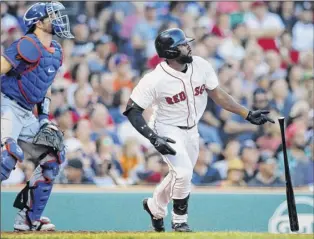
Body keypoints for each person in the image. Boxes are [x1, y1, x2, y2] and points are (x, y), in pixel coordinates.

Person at [123, 28, 274, 232]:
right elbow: (133, 110)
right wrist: (153, 137)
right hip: (166, 127)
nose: (188, 46)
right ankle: (179, 221)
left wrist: (246, 113)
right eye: (183, 45)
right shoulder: (154, 79)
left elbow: (217, 94)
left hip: (192, 129)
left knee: (179, 174)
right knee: (184, 173)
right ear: (171, 52)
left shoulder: (201, 65)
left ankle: (154, 207)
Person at [0, 2, 74, 231]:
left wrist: (43, 118)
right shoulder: (27, 44)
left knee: (54, 155)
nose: (59, 19)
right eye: (52, 16)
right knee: (7, 156)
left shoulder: (56, 51)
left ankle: (28, 219)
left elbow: (45, 87)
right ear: (38, 23)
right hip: (6, 104)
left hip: (27, 112)